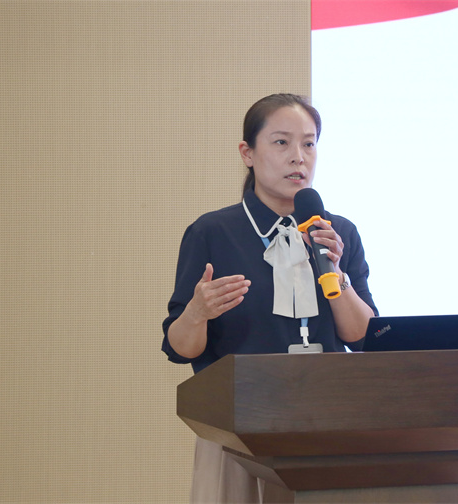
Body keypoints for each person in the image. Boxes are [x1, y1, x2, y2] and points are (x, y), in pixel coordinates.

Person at [162, 93, 378, 503]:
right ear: (247, 153)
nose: (299, 157)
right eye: (282, 142)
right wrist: (197, 313)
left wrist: (336, 275)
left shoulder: (340, 233)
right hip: (238, 432)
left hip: (330, 424)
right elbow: (180, 348)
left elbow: (363, 336)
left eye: (309, 143)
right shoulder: (212, 232)